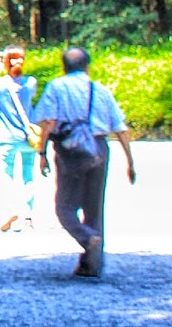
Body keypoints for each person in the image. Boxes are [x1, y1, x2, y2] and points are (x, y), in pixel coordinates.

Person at [34, 46, 137, 278]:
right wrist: (130, 161)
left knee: (64, 206)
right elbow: (120, 128)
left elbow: (49, 122)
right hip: (99, 149)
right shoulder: (100, 90)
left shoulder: (56, 88)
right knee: (94, 207)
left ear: (64, 67)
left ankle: (86, 237)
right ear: (87, 66)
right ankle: (92, 265)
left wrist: (41, 152)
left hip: (70, 150)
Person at [0, 44, 39, 233]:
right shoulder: (31, 83)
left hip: (7, 138)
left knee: (6, 176)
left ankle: (10, 209)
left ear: (5, 63)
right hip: (28, 138)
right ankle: (28, 216)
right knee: (28, 176)